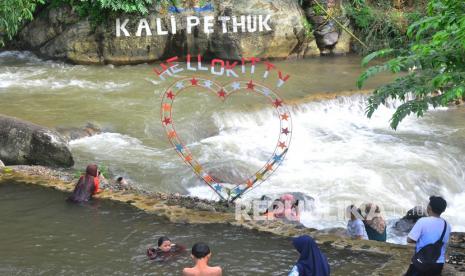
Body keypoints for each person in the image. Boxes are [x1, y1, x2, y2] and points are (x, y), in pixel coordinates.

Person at [406, 196, 451, 276]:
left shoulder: (423, 221)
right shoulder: (447, 224)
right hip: (438, 264)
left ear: (429, 207)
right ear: (443, 210)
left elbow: (410, 240)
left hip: (422, 262)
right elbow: (445, 243)